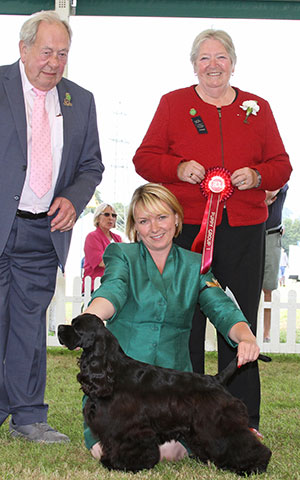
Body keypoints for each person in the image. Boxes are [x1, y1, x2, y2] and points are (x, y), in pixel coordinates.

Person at [132, 29, 292, 436]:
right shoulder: (173, 104)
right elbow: (144, 158)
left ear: (233, 63)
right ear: (194, 65)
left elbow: (282, 166)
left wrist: (257, 175)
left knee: (238, 324)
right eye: (204, 58)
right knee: (185, 324)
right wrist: (177, 168)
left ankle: (242, 422)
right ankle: (180, 421)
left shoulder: (259, 107)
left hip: (244, 230)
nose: (213, 65)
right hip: (185, 230)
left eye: (221, 57)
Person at [82, 182, 261, 462]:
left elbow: (221, 307)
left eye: (162, 217)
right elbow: (112, 290)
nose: (154, 227)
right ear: (134, 227)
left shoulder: (195, 265)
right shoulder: (122, 256)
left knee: (168, 451)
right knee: (116, 450)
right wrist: (93, 317)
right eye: (144, 220)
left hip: (173, 395)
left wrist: (245, 336)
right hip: (120, 391)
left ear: (177, 219)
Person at [0, 11, 103, 443]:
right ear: (23, 49)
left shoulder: (80, 99)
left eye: (62, 54)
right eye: (46, 51)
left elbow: (91, 165)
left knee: (28, 326)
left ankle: (28, 417)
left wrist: (73, 199)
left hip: (43, 234)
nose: (54, 62)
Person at [262, 185, 288, 342]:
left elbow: (269, 192)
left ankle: (266, 333)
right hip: (250, 232)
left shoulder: (279, 179)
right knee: (245, 287)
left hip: (271, 234)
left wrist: (257, 200)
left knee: (268, 289)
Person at [82, 203, 122, 292]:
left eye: (114, 215)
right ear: (98, 217)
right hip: (95, 286)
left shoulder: (118, 238)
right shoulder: (92, 237)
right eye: (106, 214)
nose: (111, 218)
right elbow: (101, 262)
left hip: (115, 285)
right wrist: (121, 261)